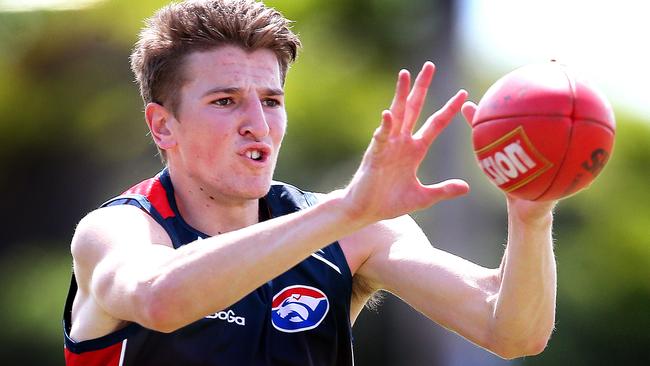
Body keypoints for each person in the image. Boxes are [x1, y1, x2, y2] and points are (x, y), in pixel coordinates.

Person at [62, 0, 557, 365]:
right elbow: (160, 298)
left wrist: (531, 214)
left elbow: (511, 331)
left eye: (272, 101)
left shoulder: (350, 230)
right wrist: (344, 212)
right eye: (225, 101)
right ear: (162, 125)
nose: (257, 123)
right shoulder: (118, 230)